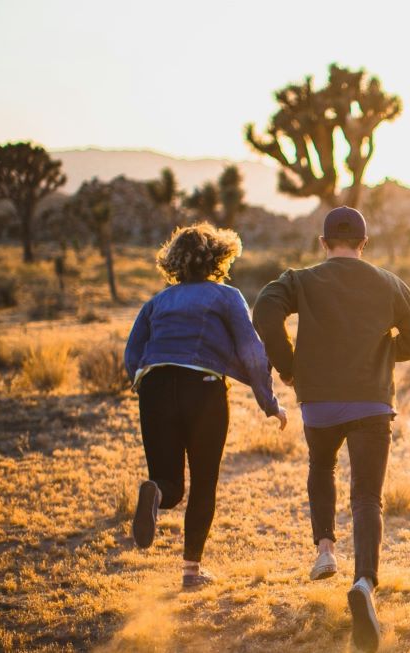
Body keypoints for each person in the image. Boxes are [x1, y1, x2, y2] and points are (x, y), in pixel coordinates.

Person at [252, 206, 410, 652]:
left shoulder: (301, 280)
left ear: (323, 242)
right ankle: (365, 583)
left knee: (321, 467)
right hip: (372, 400)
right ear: (363, 244)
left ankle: (325, 552)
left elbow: (263, 312)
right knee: (367, 495)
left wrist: (289, 364)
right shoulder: (387, 282)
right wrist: (387, 350)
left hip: (319, 403)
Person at [124, 223, 287, 588]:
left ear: (174, 261)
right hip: (203, 388)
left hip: (155, 385)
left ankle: (156, 493)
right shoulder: (226, 297)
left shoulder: (157, 302)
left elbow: (132, 351)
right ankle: (191, 572)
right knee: (203, 483)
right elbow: (251, 351)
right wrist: (270, 402)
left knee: (170, 483)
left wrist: (142, 383)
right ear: (219, 258)